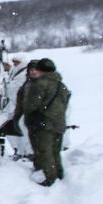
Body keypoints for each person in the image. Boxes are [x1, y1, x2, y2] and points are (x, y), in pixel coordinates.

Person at [21, 58, 71, 187]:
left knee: (45, 151)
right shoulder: (61, 85)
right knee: (55, 151)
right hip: (59, 123)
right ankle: (59, 173)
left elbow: (31, 105)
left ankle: (50, 178)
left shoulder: (39, 84)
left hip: (44, 124)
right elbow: (64, 104)